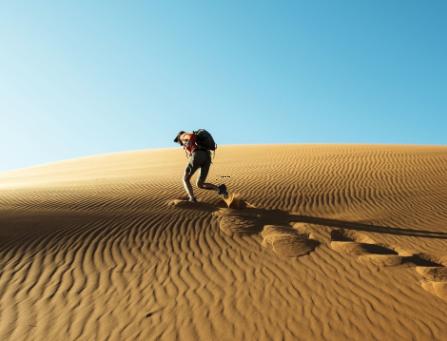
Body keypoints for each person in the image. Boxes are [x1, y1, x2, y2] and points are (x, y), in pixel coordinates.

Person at [174, 130, 228, 202]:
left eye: (179, 143)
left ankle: (192, 198)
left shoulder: (182, 136)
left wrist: (189, 145)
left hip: (198, 154)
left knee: (185, 178)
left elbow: (191, 137)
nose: (180, 144)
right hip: (207, 157)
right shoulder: (197, 140)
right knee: (200, 184)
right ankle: (219, 189)